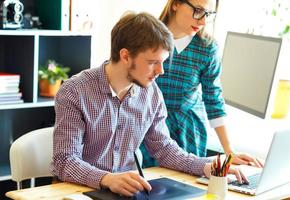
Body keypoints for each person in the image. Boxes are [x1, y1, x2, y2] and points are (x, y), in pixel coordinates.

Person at [52, 12, 248, 197]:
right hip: (76, 191)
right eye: (153, 62)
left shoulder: (151, 93)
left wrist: (207, 166)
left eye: (162, 62)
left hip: (125, 192)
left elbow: (163, 149)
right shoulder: (75, 91)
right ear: (125, 56)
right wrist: (106, 179)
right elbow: (65, 161)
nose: (161, 71)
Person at [141, 0, 263, 168]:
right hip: (146, 124)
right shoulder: (143, 37)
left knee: (186, 188)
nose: (203, 21)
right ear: (176, 3)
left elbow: (214, 99)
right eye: (198, 11)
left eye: (209, 14)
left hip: (188, 130)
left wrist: (229, 151)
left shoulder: (207, 48)